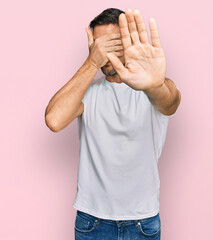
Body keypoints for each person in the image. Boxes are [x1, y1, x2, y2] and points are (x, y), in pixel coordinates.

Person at [45, 7, 181, 240]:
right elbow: (54, 120)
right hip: (92, 221)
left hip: (143, 221)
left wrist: (154, 85)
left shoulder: (153, 88)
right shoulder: (87, 93)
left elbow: (170, 103)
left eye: (114, 43)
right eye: (100, 45)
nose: (106, 53)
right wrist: (90, 62)